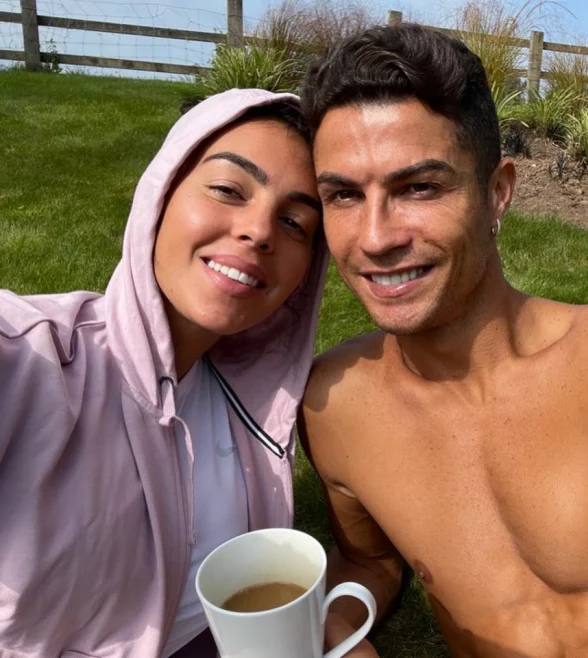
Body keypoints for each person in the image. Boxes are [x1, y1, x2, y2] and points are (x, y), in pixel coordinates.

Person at [298, 23, 588, 657]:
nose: (375, 238)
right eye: (344, 195)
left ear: (497, 194)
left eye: (418, 187)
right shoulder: (335, 406)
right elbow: (369, 563)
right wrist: (335, 627)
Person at [0, 88, 375, 658]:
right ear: (161, 192)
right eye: (228, 189)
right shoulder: (35, 361)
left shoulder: (252, 400)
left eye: (294, 222)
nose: (260, 231)